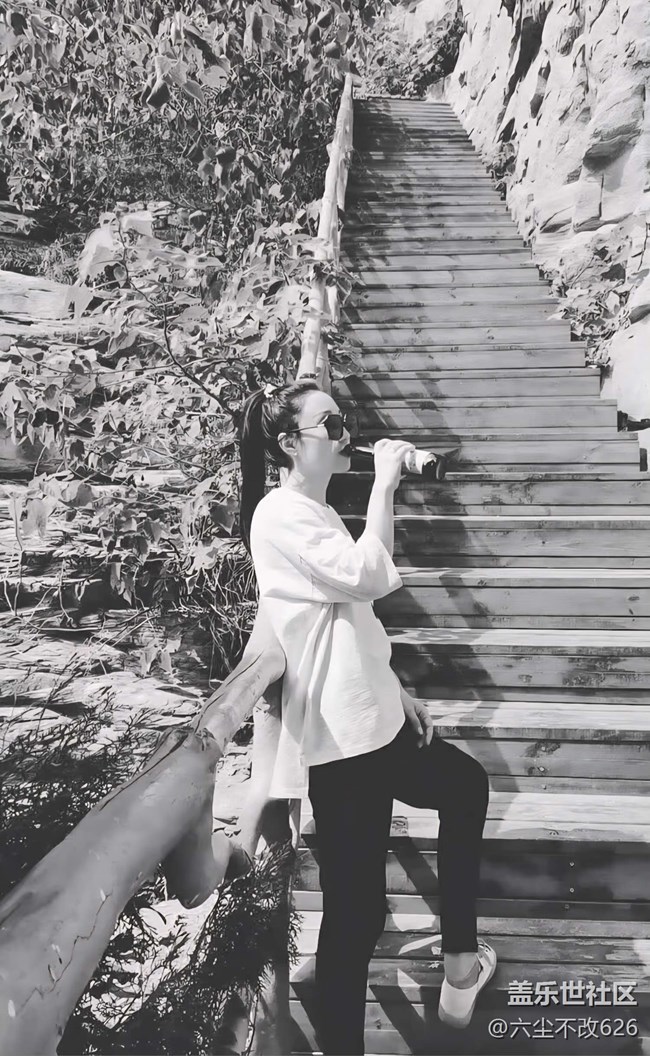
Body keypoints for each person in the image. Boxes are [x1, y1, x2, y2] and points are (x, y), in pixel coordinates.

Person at [238, 379, 496, 1055]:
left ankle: (460, 969)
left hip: (377, 718)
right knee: (357, 915)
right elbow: (367, 575)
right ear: (289, 443)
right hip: (343, 740)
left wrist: (395, 685)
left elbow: (352, 615)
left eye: (345, 420)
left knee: (465, 787)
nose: (347, 434)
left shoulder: (315, 510)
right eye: (331, 425)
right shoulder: (279, 515)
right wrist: (385, 483)